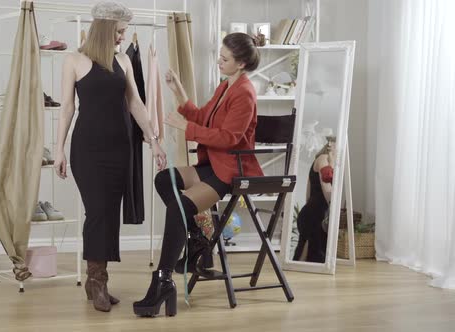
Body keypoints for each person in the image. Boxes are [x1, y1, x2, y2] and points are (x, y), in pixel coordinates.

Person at [133, 32, 266, 317]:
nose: (219, 60)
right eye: (220, 55)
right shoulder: (226, 86)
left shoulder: (244, 92)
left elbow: (230, 138)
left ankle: (163, 280)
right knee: (164, 180)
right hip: (214, 164)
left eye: (225, 58)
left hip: (231, 170)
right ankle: (197, 243)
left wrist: (185, 128)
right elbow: (203, 117)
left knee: (177, 208)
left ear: (241, 64)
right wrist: (178, 90)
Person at [53, 2, 167, 313]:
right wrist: (59, 148)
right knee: (98, 212)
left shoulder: (123, 62)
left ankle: (98, 281)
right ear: (104, 30)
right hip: (87, 149)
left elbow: (136, 104)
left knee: (108, 213)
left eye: (124, 31)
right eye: (119, 31)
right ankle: (97, 280)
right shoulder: (73, 61)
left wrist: (152, 140)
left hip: (120, 148)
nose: (123, 36)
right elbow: (66, 109)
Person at [293, 136, 336, 263]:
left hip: (312, 213)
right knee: (312, 254)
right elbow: (327, 187)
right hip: (315, 215)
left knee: (307, 254)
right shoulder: (323, 159)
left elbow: (308, 192)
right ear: (331, 145)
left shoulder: (322, 160)